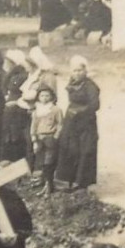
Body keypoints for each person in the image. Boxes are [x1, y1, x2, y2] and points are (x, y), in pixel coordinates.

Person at [54, 57, 100, 191]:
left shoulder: (90, 86)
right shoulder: (72, 83)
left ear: (85, 70)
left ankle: (81, 183)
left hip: (86, 123)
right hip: (71, 122)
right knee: (69, 148)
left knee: (84, 151)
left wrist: (79, 112)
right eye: (74, 70)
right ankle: (67, 180)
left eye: (80, 70)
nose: (77, 73)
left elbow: (95, 105)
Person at [28, 84, 63, 193]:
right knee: (41, 161)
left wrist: (56, 136)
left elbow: (60, 124)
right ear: (38, 97)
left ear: (52, 97)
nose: (44, 98)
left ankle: (49, 185)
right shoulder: (37, 110)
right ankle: (43, 181)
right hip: (39, 138)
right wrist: (34, 138)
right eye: (42, 96)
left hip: (50, 138)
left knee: (49, 162)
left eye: (47, 96)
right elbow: (33, 125)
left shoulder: (55, 109)